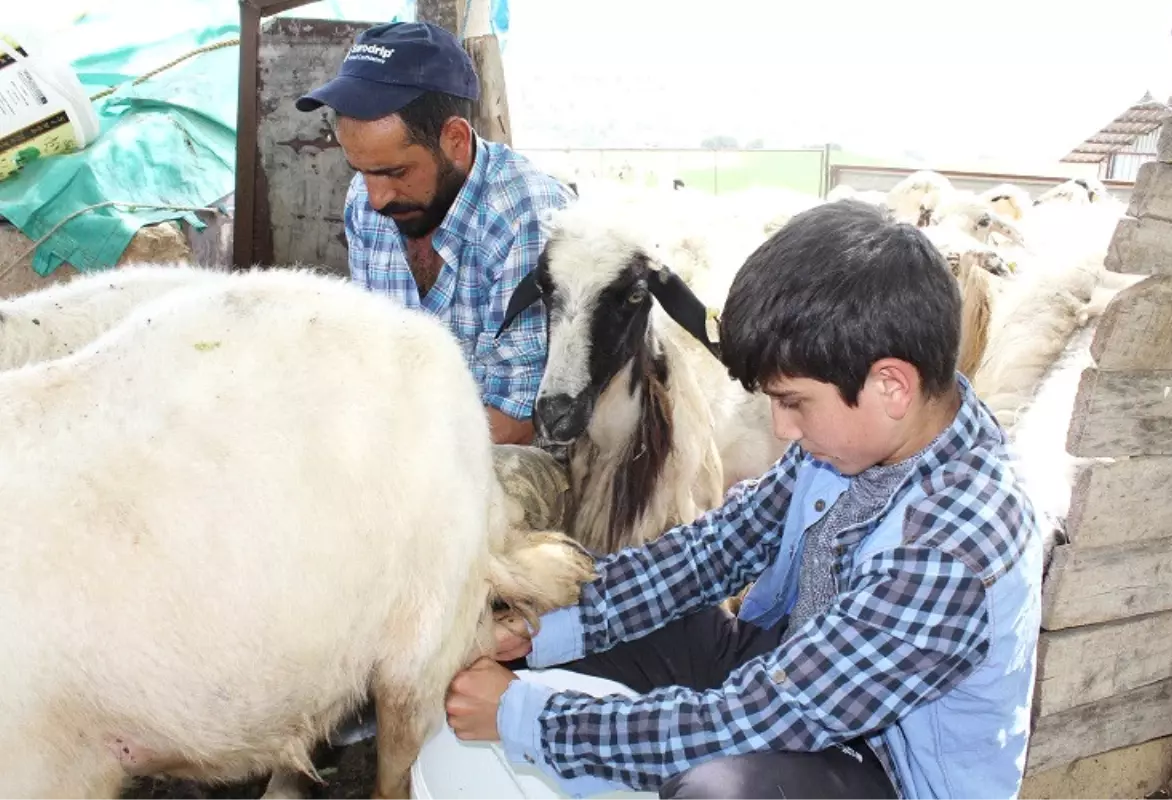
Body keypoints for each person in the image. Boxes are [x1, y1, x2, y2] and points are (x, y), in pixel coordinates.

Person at [443, 200, 1044, 800]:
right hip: (800, 668)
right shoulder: (854, 444)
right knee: (621, 628)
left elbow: (766, 716)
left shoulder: (954, 546)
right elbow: (716, 549)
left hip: (883, 768)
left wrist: (529, 721)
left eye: (794, 402)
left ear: (890, 385)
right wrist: (540, 625)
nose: (782, 430)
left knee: (722, 792)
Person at [296, 21, 575, 445]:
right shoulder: (366, 200)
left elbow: (518, 417)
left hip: (498, 456)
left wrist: (387, 457)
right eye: (362, 172)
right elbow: (372, 360)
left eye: (396, 172)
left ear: (456, 141)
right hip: (407, 440)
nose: (375, 199)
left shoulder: (527, 218)